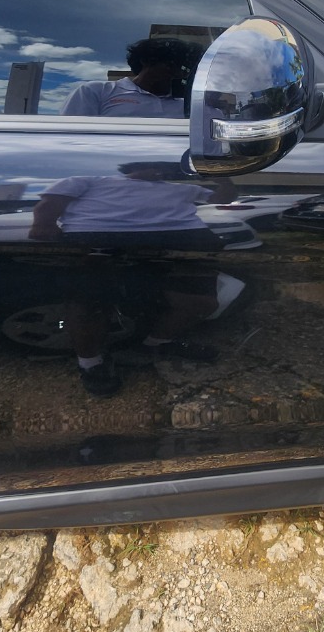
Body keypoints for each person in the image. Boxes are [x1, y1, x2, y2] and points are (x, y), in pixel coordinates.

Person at [29, 161, 238, 396]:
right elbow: (48, 206)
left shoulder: (184, 188)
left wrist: (223, 180)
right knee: (88, 303)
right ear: (129, 168)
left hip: (183, 236)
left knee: (201, 302)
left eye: (164, 169)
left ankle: (155, 344)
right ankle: (90, 363)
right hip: (101, 235)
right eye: (151, 166)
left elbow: (224, 198)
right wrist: (43, 226)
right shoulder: (90, 181)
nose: (158, 171)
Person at [61, 38, 201, 118]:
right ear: (146, 61)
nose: (178, 73)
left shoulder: (191, 105)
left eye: (183, 69)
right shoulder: (95, 92)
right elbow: (71, 138)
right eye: (171, 65)